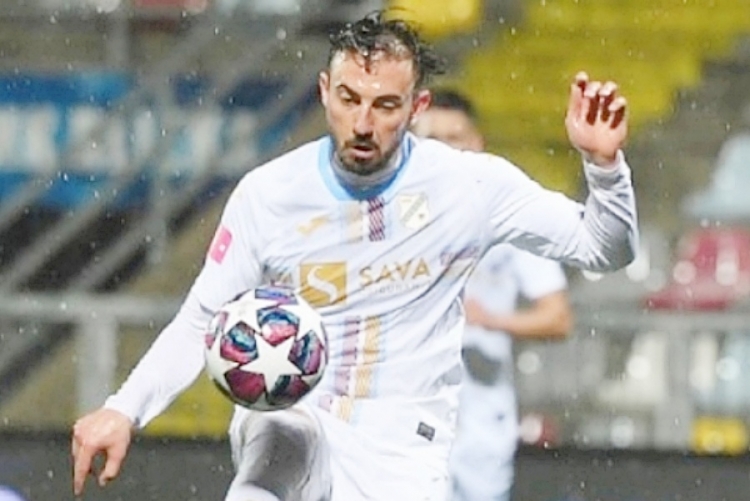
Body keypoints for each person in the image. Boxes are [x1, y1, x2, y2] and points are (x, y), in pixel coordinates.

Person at [71, 11, 637, 501]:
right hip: (293, 415)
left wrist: (605, 168)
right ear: (325, 91)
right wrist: (124, 408)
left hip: (403, 447)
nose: (363, 124)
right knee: (267, 473)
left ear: (416, 107)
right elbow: (202, 317)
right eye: (349, 99)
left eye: (385, 105)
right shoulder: (270, 194)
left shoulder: (469, 186)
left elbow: (602, 248)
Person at [413, 89, 573, 501]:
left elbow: (557, 318)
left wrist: (489, 320)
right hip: (409, 406)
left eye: (455, 139)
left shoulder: (507, 217)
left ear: (477, 143)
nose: (446, 152)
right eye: (433, 140)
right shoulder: (391, 217)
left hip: (481, 412)